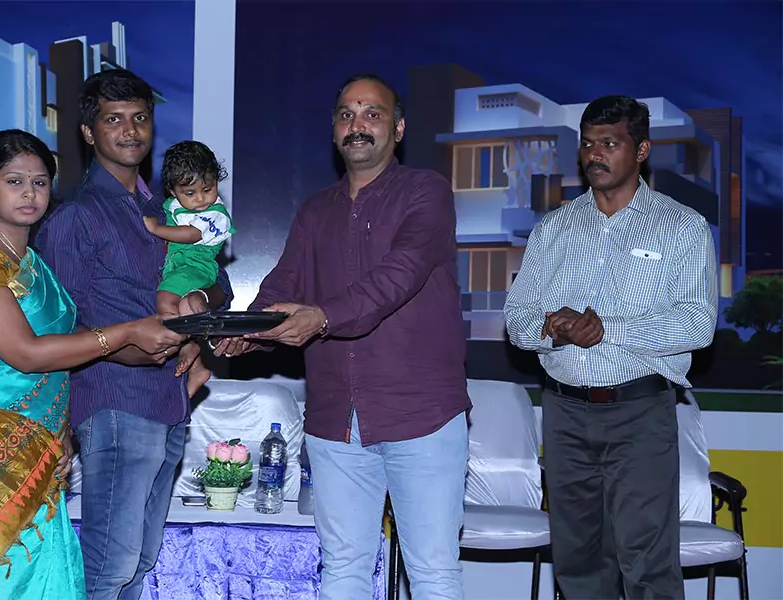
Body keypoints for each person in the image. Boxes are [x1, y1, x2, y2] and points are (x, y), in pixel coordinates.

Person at [215, 74, 471, 600]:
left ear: (398, 128)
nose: (358, 125)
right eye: (346, 115)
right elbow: (282, 285)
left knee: (432, 572)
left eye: (372, 114)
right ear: (334, 130)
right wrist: (247, 333)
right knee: (343, 568)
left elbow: (399, 275)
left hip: (420, 415)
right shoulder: (316, 210)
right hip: (335, 419)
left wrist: (322, 318)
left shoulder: (426, 192)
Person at [0, 129, 182, 600]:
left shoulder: (35, 264)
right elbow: (26, 352)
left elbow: (69, 344)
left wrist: (65, 429)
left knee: (46, 579)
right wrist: (127, 332)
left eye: (39, 182)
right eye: (14, 181)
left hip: (38, 446)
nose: (29, 193)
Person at [504, 95, 718, 599]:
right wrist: (553, 330)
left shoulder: (681, 227)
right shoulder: (554, 228)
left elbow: (697, 324)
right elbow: (516, 319)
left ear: (641, 149)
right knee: (578, 564)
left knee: (646, 565)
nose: (594, 154)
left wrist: (606, 330)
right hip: (565, 414)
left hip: (639, 414)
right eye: (587, 144)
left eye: (609, 143)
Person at [35, 68, 232, 600]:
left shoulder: (167, 209)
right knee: (110, 564)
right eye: (114, 119)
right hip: (114, 401)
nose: (130, 130)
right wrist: (125, 348)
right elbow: (56, 328)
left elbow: (221, 281)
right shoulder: (75, 217)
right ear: (88, 132)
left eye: (140, 117)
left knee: (141, 562)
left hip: (172, 400)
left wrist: (199, 310)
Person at [143, 140, 235, 398]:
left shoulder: (215, 214)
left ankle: (185, 344)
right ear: (173, 191)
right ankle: (195, 356)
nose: (201, 199)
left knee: (165, 300)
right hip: (181, 266)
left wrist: (156, 229)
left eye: (207, 189)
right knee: (185, 307)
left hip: (195, 265)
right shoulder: (171, 205)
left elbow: (191, 234)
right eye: (190, 193)